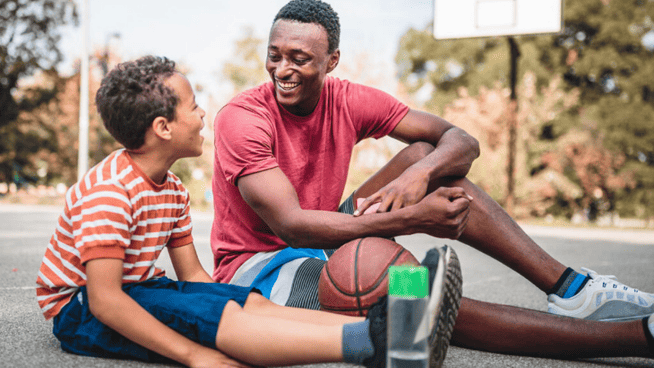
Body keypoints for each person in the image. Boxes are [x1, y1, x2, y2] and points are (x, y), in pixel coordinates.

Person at [211, 0, 654, 360]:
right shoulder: (243, 118)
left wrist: (420, 175)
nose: (282, 70)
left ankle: (571, 288)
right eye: (274, 54)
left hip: (327, 232)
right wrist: (413, 218)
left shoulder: (346, 99)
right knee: (413, 293)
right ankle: (638, 338)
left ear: (331, 62)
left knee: (429, 157)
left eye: (299, 59)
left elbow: (460, 141)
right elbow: (292, 227)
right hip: (261, 266)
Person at [35, 55, 458, 368]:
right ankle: (378, 341)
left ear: (331, 61)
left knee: (242, 303)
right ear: (163, 128)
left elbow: (195, 278)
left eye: (302, 58)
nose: (203, 114)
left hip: (149, 287)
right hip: (81, 307)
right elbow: (105, 300)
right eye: (193, 106)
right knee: (222, 314)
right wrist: (196, 355)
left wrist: (219, 300)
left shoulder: (173, 189)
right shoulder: (110, 192)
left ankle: (392, 324)